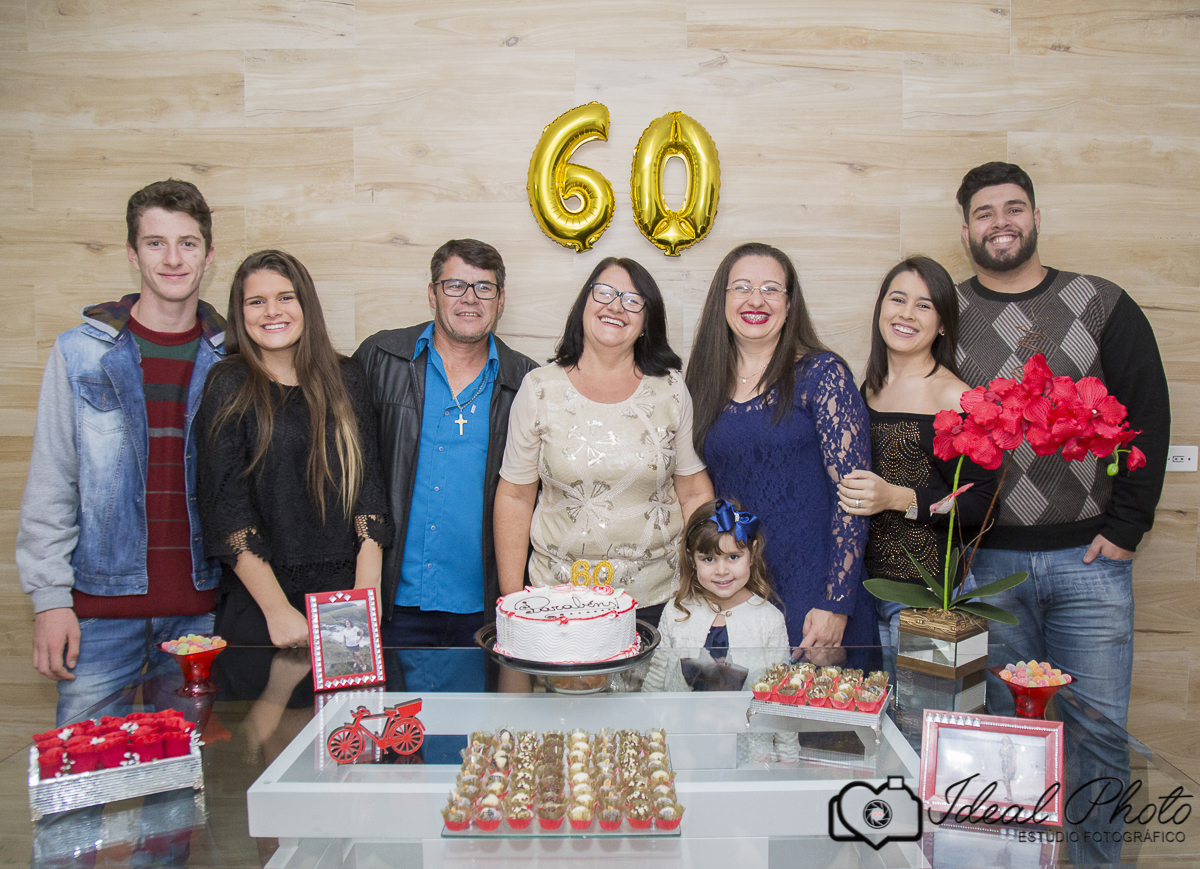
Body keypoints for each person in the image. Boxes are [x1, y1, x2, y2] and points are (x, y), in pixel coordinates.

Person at [954, 162, 1169, 865]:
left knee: (1099, 732)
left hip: (1091, 562)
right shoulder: (945, 310)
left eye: (1014, 208)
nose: (1001, 222)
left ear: (1037, 217)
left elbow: (1149, 413)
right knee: (1007, 739)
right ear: (966, 230)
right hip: (988, 564)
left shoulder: (1101, 302)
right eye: (985, 213)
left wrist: (1126, 527)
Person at [18, 179, 227, 725]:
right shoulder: (80, 353)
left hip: (200, 619)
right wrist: (50, 601)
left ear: (209, 255)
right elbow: (51, 481)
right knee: (76, 795)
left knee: (185, 795)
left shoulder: (232, 359)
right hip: (98, 617)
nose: (173, 258)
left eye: (188, 242)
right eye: (156, 243)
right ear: (132, 253)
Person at [495, 257, 715, 627]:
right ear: (584, 305)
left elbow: (694, 492)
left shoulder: (671, 389)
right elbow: (515, 497)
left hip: (658, 598)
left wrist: (704, 587)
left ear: (647, 322)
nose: (615, 306)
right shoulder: (539, 388)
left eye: (632, 300)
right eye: (604, 293)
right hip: (558, 601)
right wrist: (514, 603)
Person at [685, 242, 876, 650]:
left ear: (790, 305)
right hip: (734, 590)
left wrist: (836, 602)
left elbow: (853, 498)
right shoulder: (703, 383)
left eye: (771, 289)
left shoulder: (823, 375)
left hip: (813, 591)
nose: (756, 299)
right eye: (741, 287)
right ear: (722, 300)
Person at [196, 250, 390, 648]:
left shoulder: (347, 377)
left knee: (349, 712)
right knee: (270, 710)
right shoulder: (228, 382)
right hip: (261, 601)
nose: (271, 311)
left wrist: (366, 593)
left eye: (285, 297)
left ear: (306, 305)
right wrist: (277, 611)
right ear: (241, 313)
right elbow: (226, 511)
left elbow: (369, 489)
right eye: (256, 301)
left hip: (343, 600)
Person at [354, 239, 538, 657]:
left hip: (485, 607)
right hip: (392, 602)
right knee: (395, 720)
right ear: (432, 293)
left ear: (501, 299)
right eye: (455, 285)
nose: (470, 298)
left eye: (484, 288)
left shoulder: (528, 381)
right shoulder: (379, 358)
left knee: (482, 722)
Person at [836, 256, 996, 651]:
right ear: (881, 309)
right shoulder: (869, 386)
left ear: (942, 323)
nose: (906, 314)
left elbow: (984, 504)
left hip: (928, 596)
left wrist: (896, 498)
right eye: (898, 299)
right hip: (866, 587)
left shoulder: (957, 397)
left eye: (924, 305)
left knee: (926, 712)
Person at [643, 498, 789, 693]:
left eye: (733, 557)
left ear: (752, 554)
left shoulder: (770, 620)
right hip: (681, 721)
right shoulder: (676, 612)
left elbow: (779, 689)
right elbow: (655, 682)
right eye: (709, 559)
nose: (722, 570)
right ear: (692, 559)